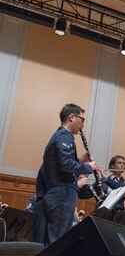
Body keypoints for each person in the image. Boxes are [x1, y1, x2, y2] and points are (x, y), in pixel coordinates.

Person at [34, 104, 101, 245]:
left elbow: (61, 163)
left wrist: (80, 160)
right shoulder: (65, 137)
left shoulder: (59, 136)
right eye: (82, 120)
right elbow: (66, 165)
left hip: (57, 193)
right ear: (72, 117)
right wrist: (88, 167)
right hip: (62, 194)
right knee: (57, 240)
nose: (82, 125)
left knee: (51, 239)